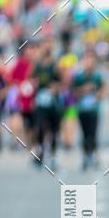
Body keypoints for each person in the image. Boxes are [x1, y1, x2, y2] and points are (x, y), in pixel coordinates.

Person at [31, 39, 63, 169]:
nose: (47, 47)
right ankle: (40, 153)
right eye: (45, 45)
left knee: (53, 131)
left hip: (53, 103)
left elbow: (64, 83)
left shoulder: (56, 65)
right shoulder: (37, 65)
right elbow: (30, 79)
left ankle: (53, 157)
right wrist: (34, 85)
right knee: (40, 128)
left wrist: (55, 88)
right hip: (41, 103)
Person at [72, 49, 104, 170]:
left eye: (91, 59)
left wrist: (98, 95)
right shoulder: (79, 77)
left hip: (94, 110)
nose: (89, 62)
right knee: (85, 134)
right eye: (87, 59)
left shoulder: (97, 76)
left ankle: (94, 154)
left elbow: (102, 89)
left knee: (93, 133)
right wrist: (84, 90)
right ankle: (85, 155)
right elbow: (74, 92)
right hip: (82, 109)